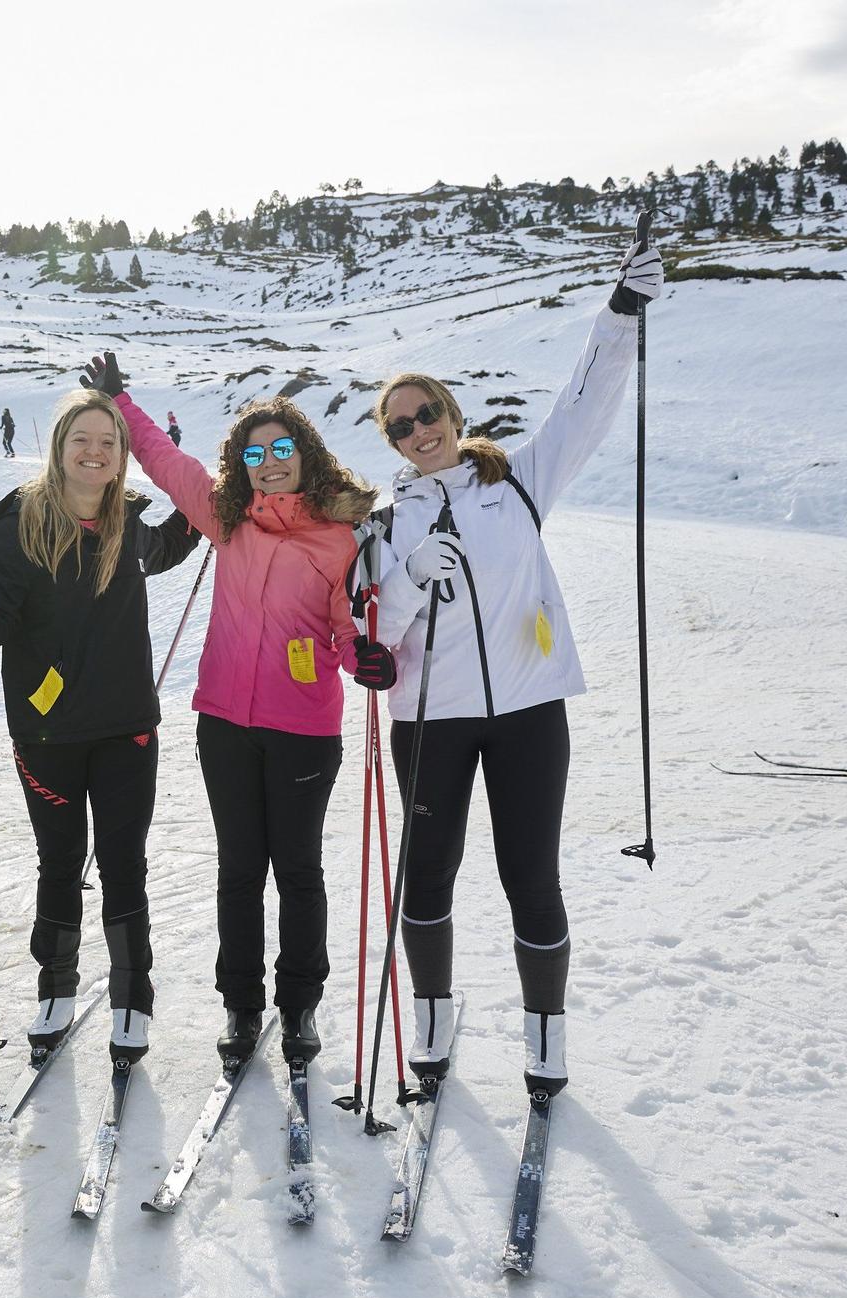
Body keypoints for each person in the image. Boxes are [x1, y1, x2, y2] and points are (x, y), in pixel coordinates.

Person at [354, 235, 663, 1098]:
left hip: (528, 710)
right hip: (427, 719)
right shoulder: (384, 520)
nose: (418, 430)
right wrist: (410, 579)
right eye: (399, 425)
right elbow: (372, 634)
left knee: (530, 872)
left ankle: (545, 1030)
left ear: (452, 413)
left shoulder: (518, 482)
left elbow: (583, 404)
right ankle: (433, 1013)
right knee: (428, 872)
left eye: (426, 413)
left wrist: (621, 312)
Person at [98, 353, 382, 1067]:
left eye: (281, 447)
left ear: (304, 452)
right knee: (238, 870)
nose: (269, 462)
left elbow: (345, 629)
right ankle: (241, 1004)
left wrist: (364, 660)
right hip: (224, 723)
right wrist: (121, 402)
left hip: (304, 732)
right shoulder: (227, 518)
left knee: (298, 870)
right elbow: (167, 464)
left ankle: (300, 1006)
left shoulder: (338, 536)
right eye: (254, 453)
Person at [0, 388, 201, 1062]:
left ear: (119, 459)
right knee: (58, 862)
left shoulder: (129, 525)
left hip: (125, 729)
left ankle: (132, 995)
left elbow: (173, 542)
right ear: (59, 448)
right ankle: (55, 986)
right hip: (46, 734)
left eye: (107, 443)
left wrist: (209, 503)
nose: (94, 452)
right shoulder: (19, 523)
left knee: (123, 864)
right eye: (82, 439)